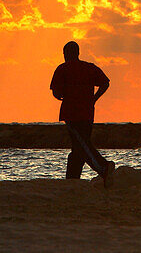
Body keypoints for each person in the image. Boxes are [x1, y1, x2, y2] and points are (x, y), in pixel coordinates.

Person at [50, 41, 115, 182]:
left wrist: (62, 95)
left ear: (66, 54)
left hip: (72, 114)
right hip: (87, 113)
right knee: (79, 146)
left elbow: (55, 92)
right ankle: (73, 178)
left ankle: (103, 167)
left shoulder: (63, 68)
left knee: (81, 145)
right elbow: (105, 83)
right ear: (77, 53)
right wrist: (94, 98)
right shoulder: (89, 68)